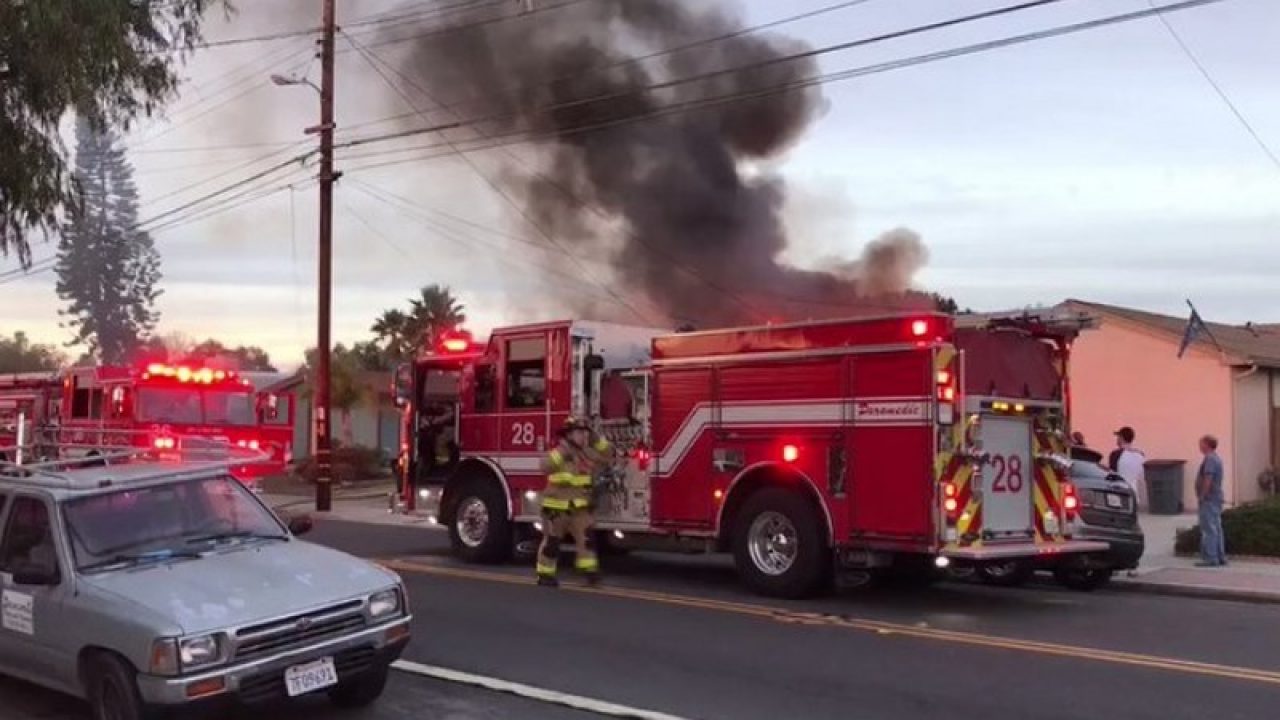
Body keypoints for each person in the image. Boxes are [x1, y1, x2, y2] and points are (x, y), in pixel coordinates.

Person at [535, 416, 612, 587]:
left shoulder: (587, 453)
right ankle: (545, 574)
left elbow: (609, 455)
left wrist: (596, 440)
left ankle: (590, 571)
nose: (583, 436)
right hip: (556, 509)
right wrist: (563, 454)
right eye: (579, 433)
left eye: (585, 433)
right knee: (552, 543)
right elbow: (544, 466)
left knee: (587, 539)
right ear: (569, 435)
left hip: (580, 509)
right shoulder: (558, 452)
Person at [1195, 434, 1227, 567]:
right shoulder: (1216, 458)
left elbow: (1208, 478)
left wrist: (1202, 495)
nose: (1199, 446)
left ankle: (1211, 557)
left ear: (1207, 444)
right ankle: (1220, 556)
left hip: (1209, 499)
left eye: (1201, 443)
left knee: (1209, 528)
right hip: (1215, 498)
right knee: (1216, 527)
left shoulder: (1210, 459)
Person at [1111, 426, 1146, 510]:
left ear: (1121, 438)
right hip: (1134, 496)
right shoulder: (1140, 455)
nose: (1117, 439)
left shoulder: (1116, 454)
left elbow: (1112, 475)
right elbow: (1141, 475)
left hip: (1119, 496)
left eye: (1118, 437)